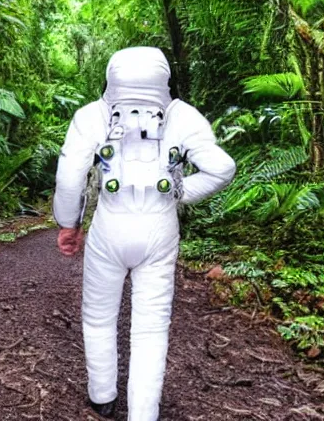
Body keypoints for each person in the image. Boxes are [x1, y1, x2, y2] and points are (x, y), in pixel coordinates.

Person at [53, 46, 236, 421]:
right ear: (163, 79)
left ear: (111, 77)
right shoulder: (183, 116)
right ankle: (143, 413)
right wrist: (180, 194)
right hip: (159, 228)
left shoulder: (92, 116)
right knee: (151, 327)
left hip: (110, 226)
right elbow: (222, 169)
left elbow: (69, 177)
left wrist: (68, 224)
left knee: (99, 317)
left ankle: (102, 396)